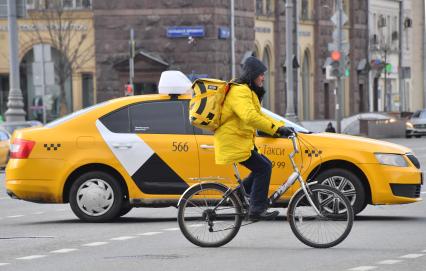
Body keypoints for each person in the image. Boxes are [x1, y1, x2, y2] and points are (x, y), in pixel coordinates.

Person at [214, 56, 293, 221]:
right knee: (263, 168)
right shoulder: (240, 91)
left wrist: (282, 127)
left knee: (264, 165)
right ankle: (257, 208)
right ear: (252, 74)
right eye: (260, 74)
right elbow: (249, 117)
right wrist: (277, 129)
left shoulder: (247, 91)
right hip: (233, 141)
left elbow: (260, 115)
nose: (263, 77)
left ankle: (236, 196)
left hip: (242, 140)